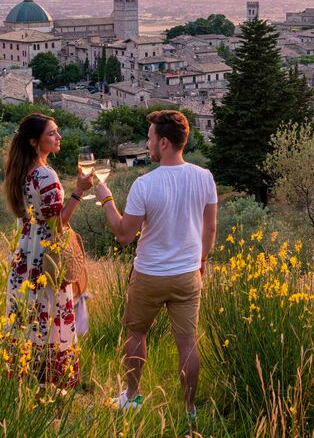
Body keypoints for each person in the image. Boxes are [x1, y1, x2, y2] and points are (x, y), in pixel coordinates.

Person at [95, 110, 218, 420]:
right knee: (187, 343)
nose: (146, 143)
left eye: (149, 138)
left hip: (149, 274)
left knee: (136, 334)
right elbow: (210, 229)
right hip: (187, 275)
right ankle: (189, 409)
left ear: (163, 142)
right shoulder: (205, 177)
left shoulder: (144, 184)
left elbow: (124, 235)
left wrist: (106, 199)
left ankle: (132, 397)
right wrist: (201, 260)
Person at [2, 113, 94, 389]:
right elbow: (57, 223)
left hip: (25, 252)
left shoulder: (20, 171)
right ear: (34, 141)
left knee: (27, 318)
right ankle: (50, 386)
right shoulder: (45, 174)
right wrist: (78, 191)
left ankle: (24, 380)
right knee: (50, 317)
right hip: (47, 258)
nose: (59, 137)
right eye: (52, 133)